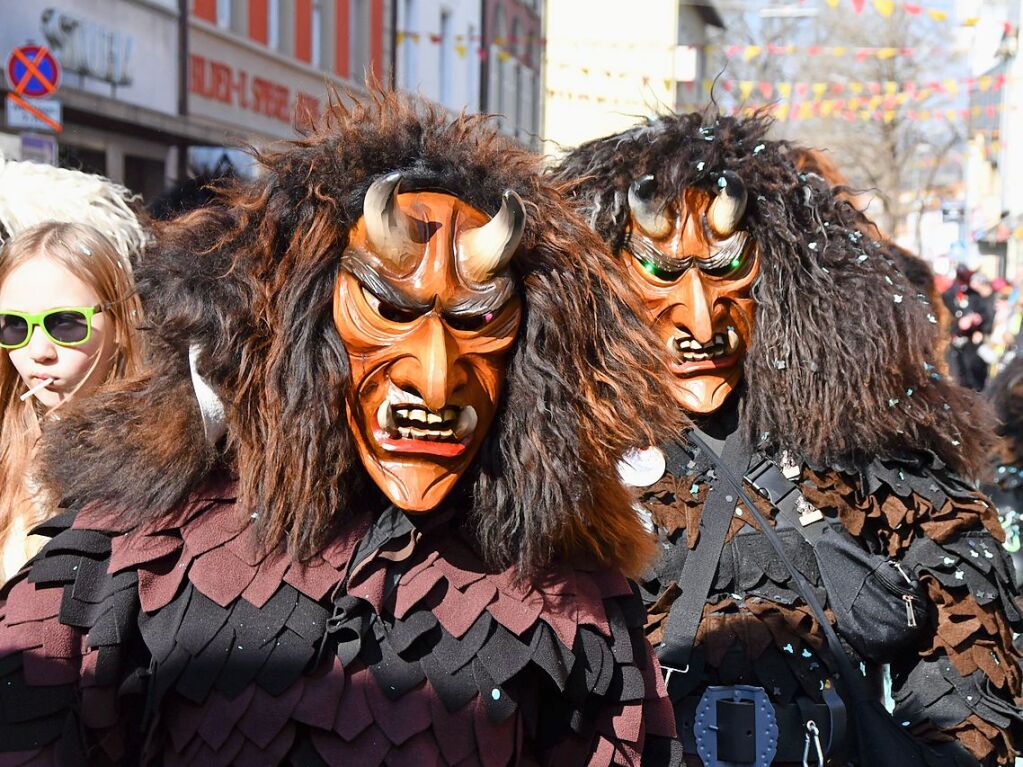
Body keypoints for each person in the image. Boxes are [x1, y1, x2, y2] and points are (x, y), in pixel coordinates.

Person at [0, 92, 680, 764]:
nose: (436, 378)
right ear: (299, 320)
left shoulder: (565, 591)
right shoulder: (132, 556)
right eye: (388, 308)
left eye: (475, 318)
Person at [550, 112, 1021, 765]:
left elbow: (963, 649)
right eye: (659, 270)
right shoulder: (551, 464)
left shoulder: (867, 450)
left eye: (726, 267)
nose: (698, 320)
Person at [0, 222, 144, 581]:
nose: (38, 352)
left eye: (65, 324)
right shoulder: (6, 446)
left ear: (122, 324)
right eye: (14, 325)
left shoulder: (160, 455)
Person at [943, 265, 996, 391]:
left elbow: (986, 315)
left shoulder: (974, 296)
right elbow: (942, 320)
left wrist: (979, 325)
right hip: (953, 344)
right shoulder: (947, 296)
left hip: (972, 344)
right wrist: (958, 324)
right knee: (956, 381)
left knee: (975, 380)